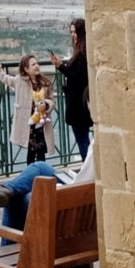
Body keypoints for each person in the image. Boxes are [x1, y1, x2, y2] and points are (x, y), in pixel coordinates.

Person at [0, 143, 95, 233]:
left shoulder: (97, 145)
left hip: (74, 204)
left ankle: (7, 191)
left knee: (16, 199)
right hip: (83, 198)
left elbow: (82, 189)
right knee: (40, 167)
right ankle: (6, 189)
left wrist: (56, 187)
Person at [0, 54, 55, 164]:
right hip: (28, 123)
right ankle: (32, 173)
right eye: (33, 64)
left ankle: (41, 173)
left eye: (37, 63)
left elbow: (52, 100)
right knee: (31, 152)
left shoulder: (46, 82)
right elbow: (5, 78)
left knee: (41, 151)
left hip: (42, 122)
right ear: (26, 69)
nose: (37, 66)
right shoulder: (19, 81)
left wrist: (46, 105)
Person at [50, 17, 92, 161]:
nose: (72, 35)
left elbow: (77, 77)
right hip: (81, 103)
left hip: (78, 105)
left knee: (82, 140)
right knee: (84, 139)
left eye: (75, 32)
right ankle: (89, 168)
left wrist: (60, 66)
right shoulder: (82, 52)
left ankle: (89, 169)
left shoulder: (81, 54)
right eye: (71, 32)